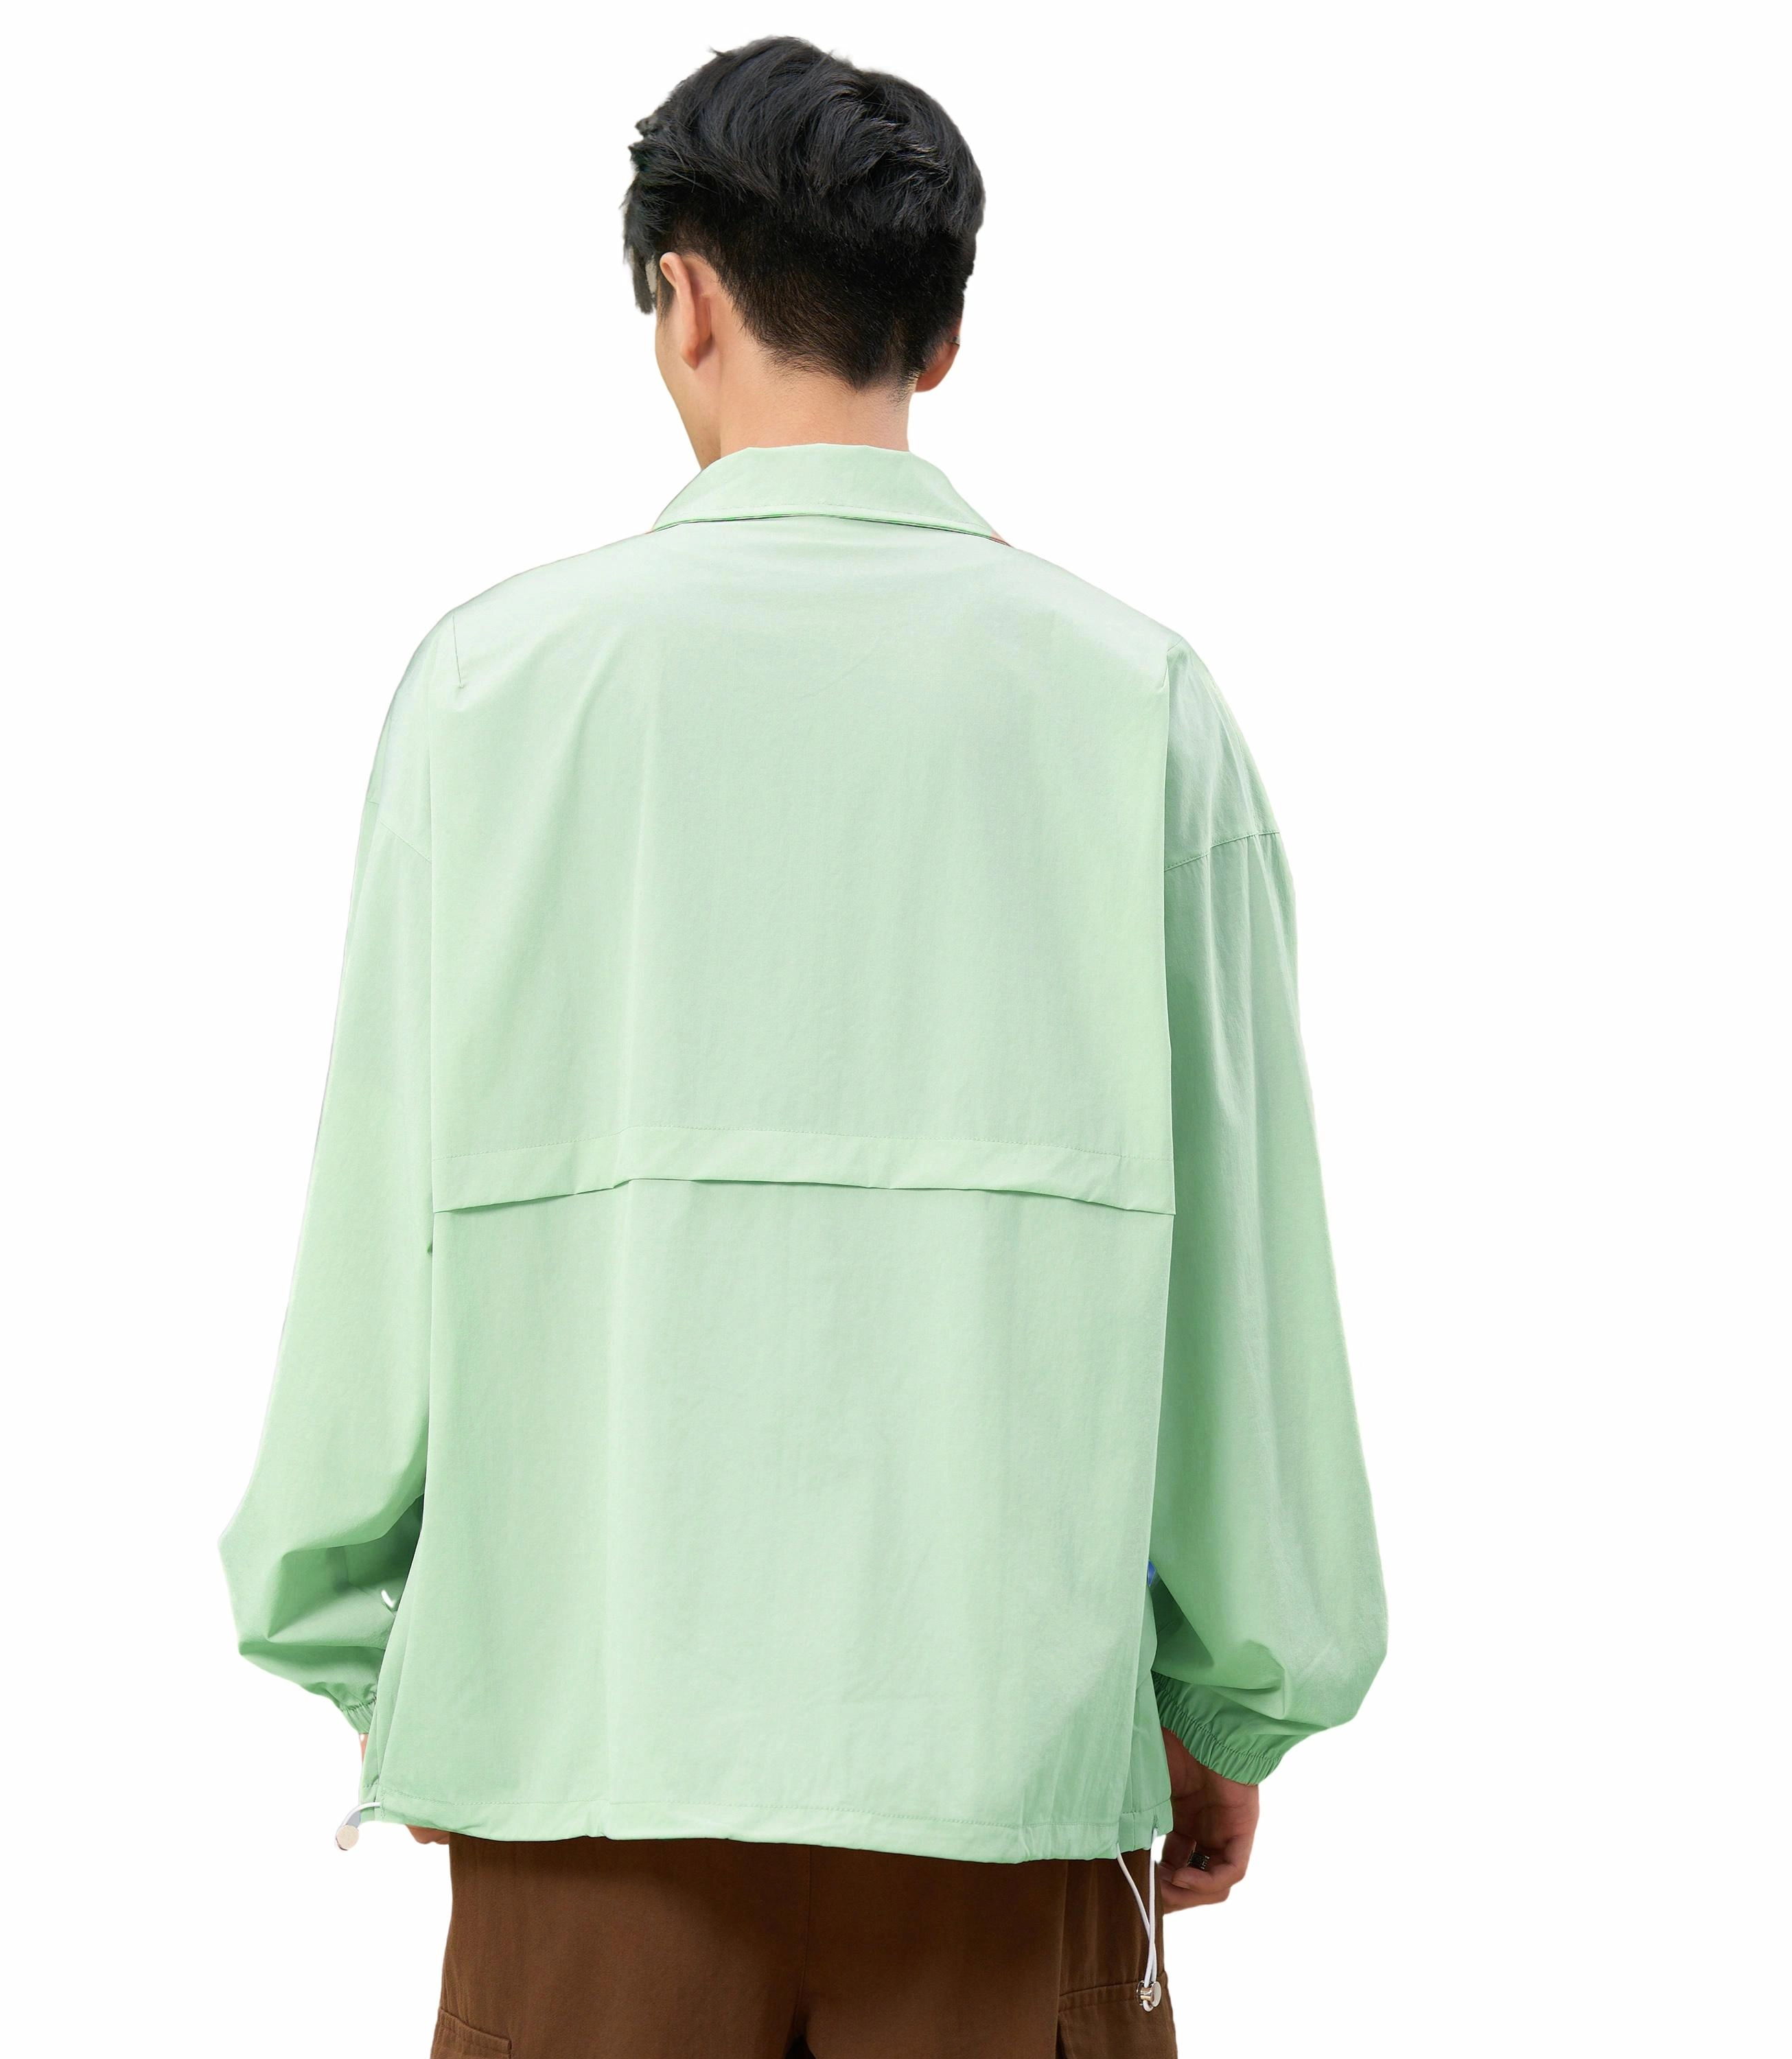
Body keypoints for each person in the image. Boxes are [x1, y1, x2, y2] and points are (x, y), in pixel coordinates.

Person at [221, 34, 1385, 2058]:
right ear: (944, 329)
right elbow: (1244, 1270)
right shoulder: (1140, 703)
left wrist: (383, 1658)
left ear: (680, 297)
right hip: (1009, 1792)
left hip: (583, 1777)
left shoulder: (496, 689)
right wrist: (1228, 1697)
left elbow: (380, 1222)